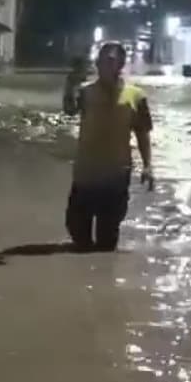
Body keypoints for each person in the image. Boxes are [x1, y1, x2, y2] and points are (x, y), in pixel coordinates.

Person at [62, 42, 154, 252]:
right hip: (87, 170)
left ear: (120, 64)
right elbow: (68, 111)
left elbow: (142, 133)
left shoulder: (136, 97)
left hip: (116, 173)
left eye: (110, 60)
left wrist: (148, 166)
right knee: (77, 230)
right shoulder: (86, 93)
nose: (103, 64)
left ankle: (102, 276)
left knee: (107, 238)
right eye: (101, 59)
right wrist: (70, 83)